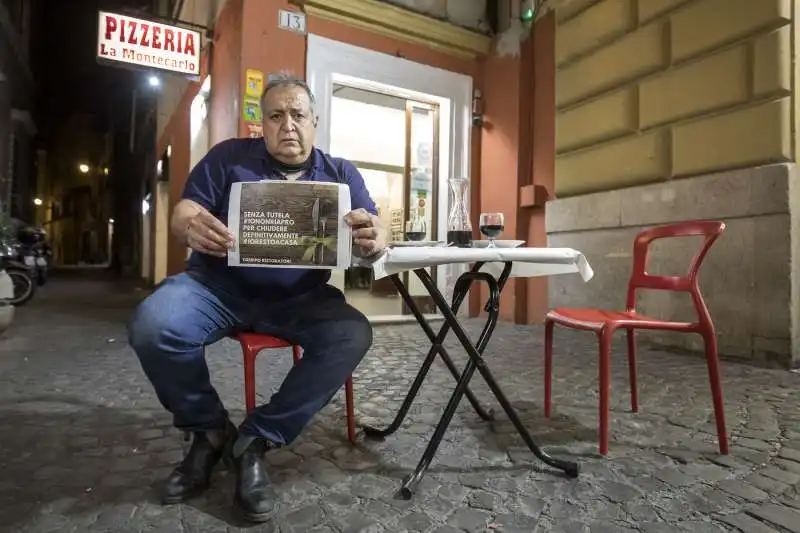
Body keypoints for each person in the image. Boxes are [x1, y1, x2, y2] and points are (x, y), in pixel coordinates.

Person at [128, 73, 387, 522]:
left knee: (352, 333)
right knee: (154, 325)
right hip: (217, 287)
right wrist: (187, 223)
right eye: (276, 115)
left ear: (315, 121)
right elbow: (184, 211)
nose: (288, 125)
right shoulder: (228, 157)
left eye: (298, 115)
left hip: (301, 297)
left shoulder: (341, 172)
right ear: (261, 124)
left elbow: (377, 229)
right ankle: (207, 431)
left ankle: (257, 438)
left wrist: (375, 235)